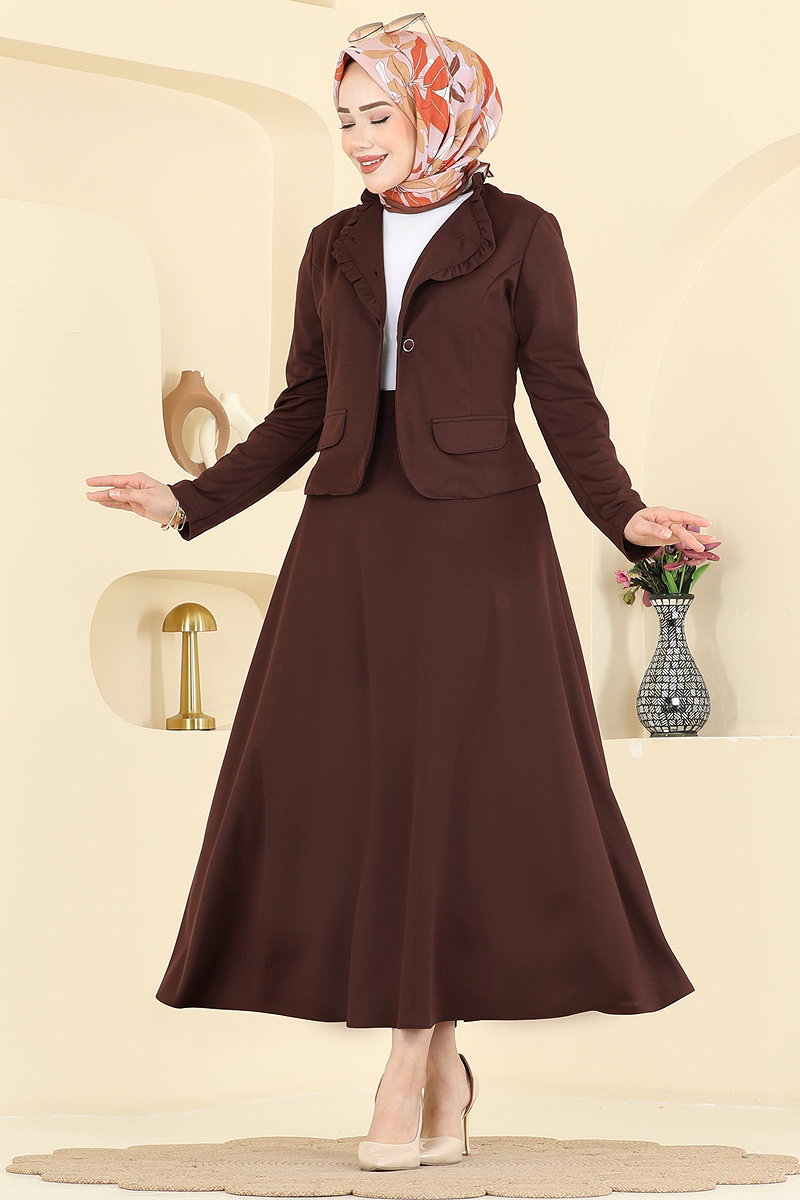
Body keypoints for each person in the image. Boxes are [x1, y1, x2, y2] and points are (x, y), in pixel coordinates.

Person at [85, 16, 712, 1174]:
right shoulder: (332, 243)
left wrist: (622, 514)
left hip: (478, 539)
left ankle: (404, 1066)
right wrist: (188, 501)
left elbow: (561, 394)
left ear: (439, 112)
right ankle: (439, 1067)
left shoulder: (519, 235)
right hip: (349, 537)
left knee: (454, 787)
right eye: (344, 121)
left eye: (378, 115)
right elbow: (302, 405)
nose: (358, 139)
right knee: (368, 787)